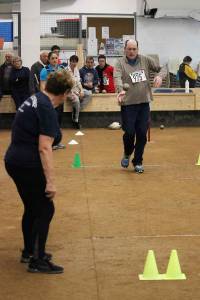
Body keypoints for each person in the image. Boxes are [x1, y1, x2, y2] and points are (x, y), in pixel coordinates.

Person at [4, 69, 73, 274]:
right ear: (64, 92)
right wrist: (50, 182)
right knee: (45, 209)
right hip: (26, 164)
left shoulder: (36, 99)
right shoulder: (46, 109)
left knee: (32, 208)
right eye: (68, 93)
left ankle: (29, 251)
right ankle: (38, 259)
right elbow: (45, 147)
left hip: (14, 160)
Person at [114, 39, 166, 173]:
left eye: (134, 49)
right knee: (129, 133)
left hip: (144, 104)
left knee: (142, 134)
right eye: (129, 49)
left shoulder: (145, 60)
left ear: (138, 49)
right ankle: (127, 153)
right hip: (128, 105)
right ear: (125, 49)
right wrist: (120, 90)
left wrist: (160, 76)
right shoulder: (119, 63)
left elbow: (163, 68)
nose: (132, 52)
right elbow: (117, 78)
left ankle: (137, 162)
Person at [40, 51, 66, 150]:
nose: (55, 60)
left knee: (58, 119)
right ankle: (50, 142)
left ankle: (57, 141)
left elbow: (65, 81)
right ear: (49, 60)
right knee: (51, 120)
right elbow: (42, 85)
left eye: (56, 58)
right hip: (50, 100)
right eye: (52, 58)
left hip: (59, 99)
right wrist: (46, 98)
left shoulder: (62, 69)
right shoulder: (45, 70)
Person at [66, 55, 84, 129]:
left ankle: (76, 109)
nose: (74, 63)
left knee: (88, 94)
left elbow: (78, 82)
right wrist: (76, 93)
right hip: (68, 91)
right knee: (76, 100)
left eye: (76, 61)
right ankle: (76, 120)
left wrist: (82, 91)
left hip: (77, 90)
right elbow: (66, 85)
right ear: (70, 61)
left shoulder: (76, 70)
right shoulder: (66, 70)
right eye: (73, 61)